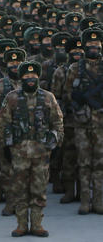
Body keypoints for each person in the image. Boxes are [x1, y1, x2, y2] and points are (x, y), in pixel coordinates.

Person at [0, 61, 63, 237]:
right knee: (19, 189)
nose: (30, 79)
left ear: (38, 77)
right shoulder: (11, 97)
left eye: (33, 76)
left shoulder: (48, 97)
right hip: (19, 152)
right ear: (21, 78)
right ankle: (21, 224)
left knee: (39, 189)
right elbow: (3, 122)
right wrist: (5, 145)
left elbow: (57, 121)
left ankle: (36, 224)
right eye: (26, 76)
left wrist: (57, 143)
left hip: (42, 152)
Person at [63, 28, 103, 215]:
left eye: (96, 44)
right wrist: (79, 100)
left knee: (100, 164)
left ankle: (99, 201)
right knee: (84, 162)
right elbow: (67, 94)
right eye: (90, 44)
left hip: (101, 124)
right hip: (81, 122)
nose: (93, 47)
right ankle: (85, 201)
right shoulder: (74, 68)